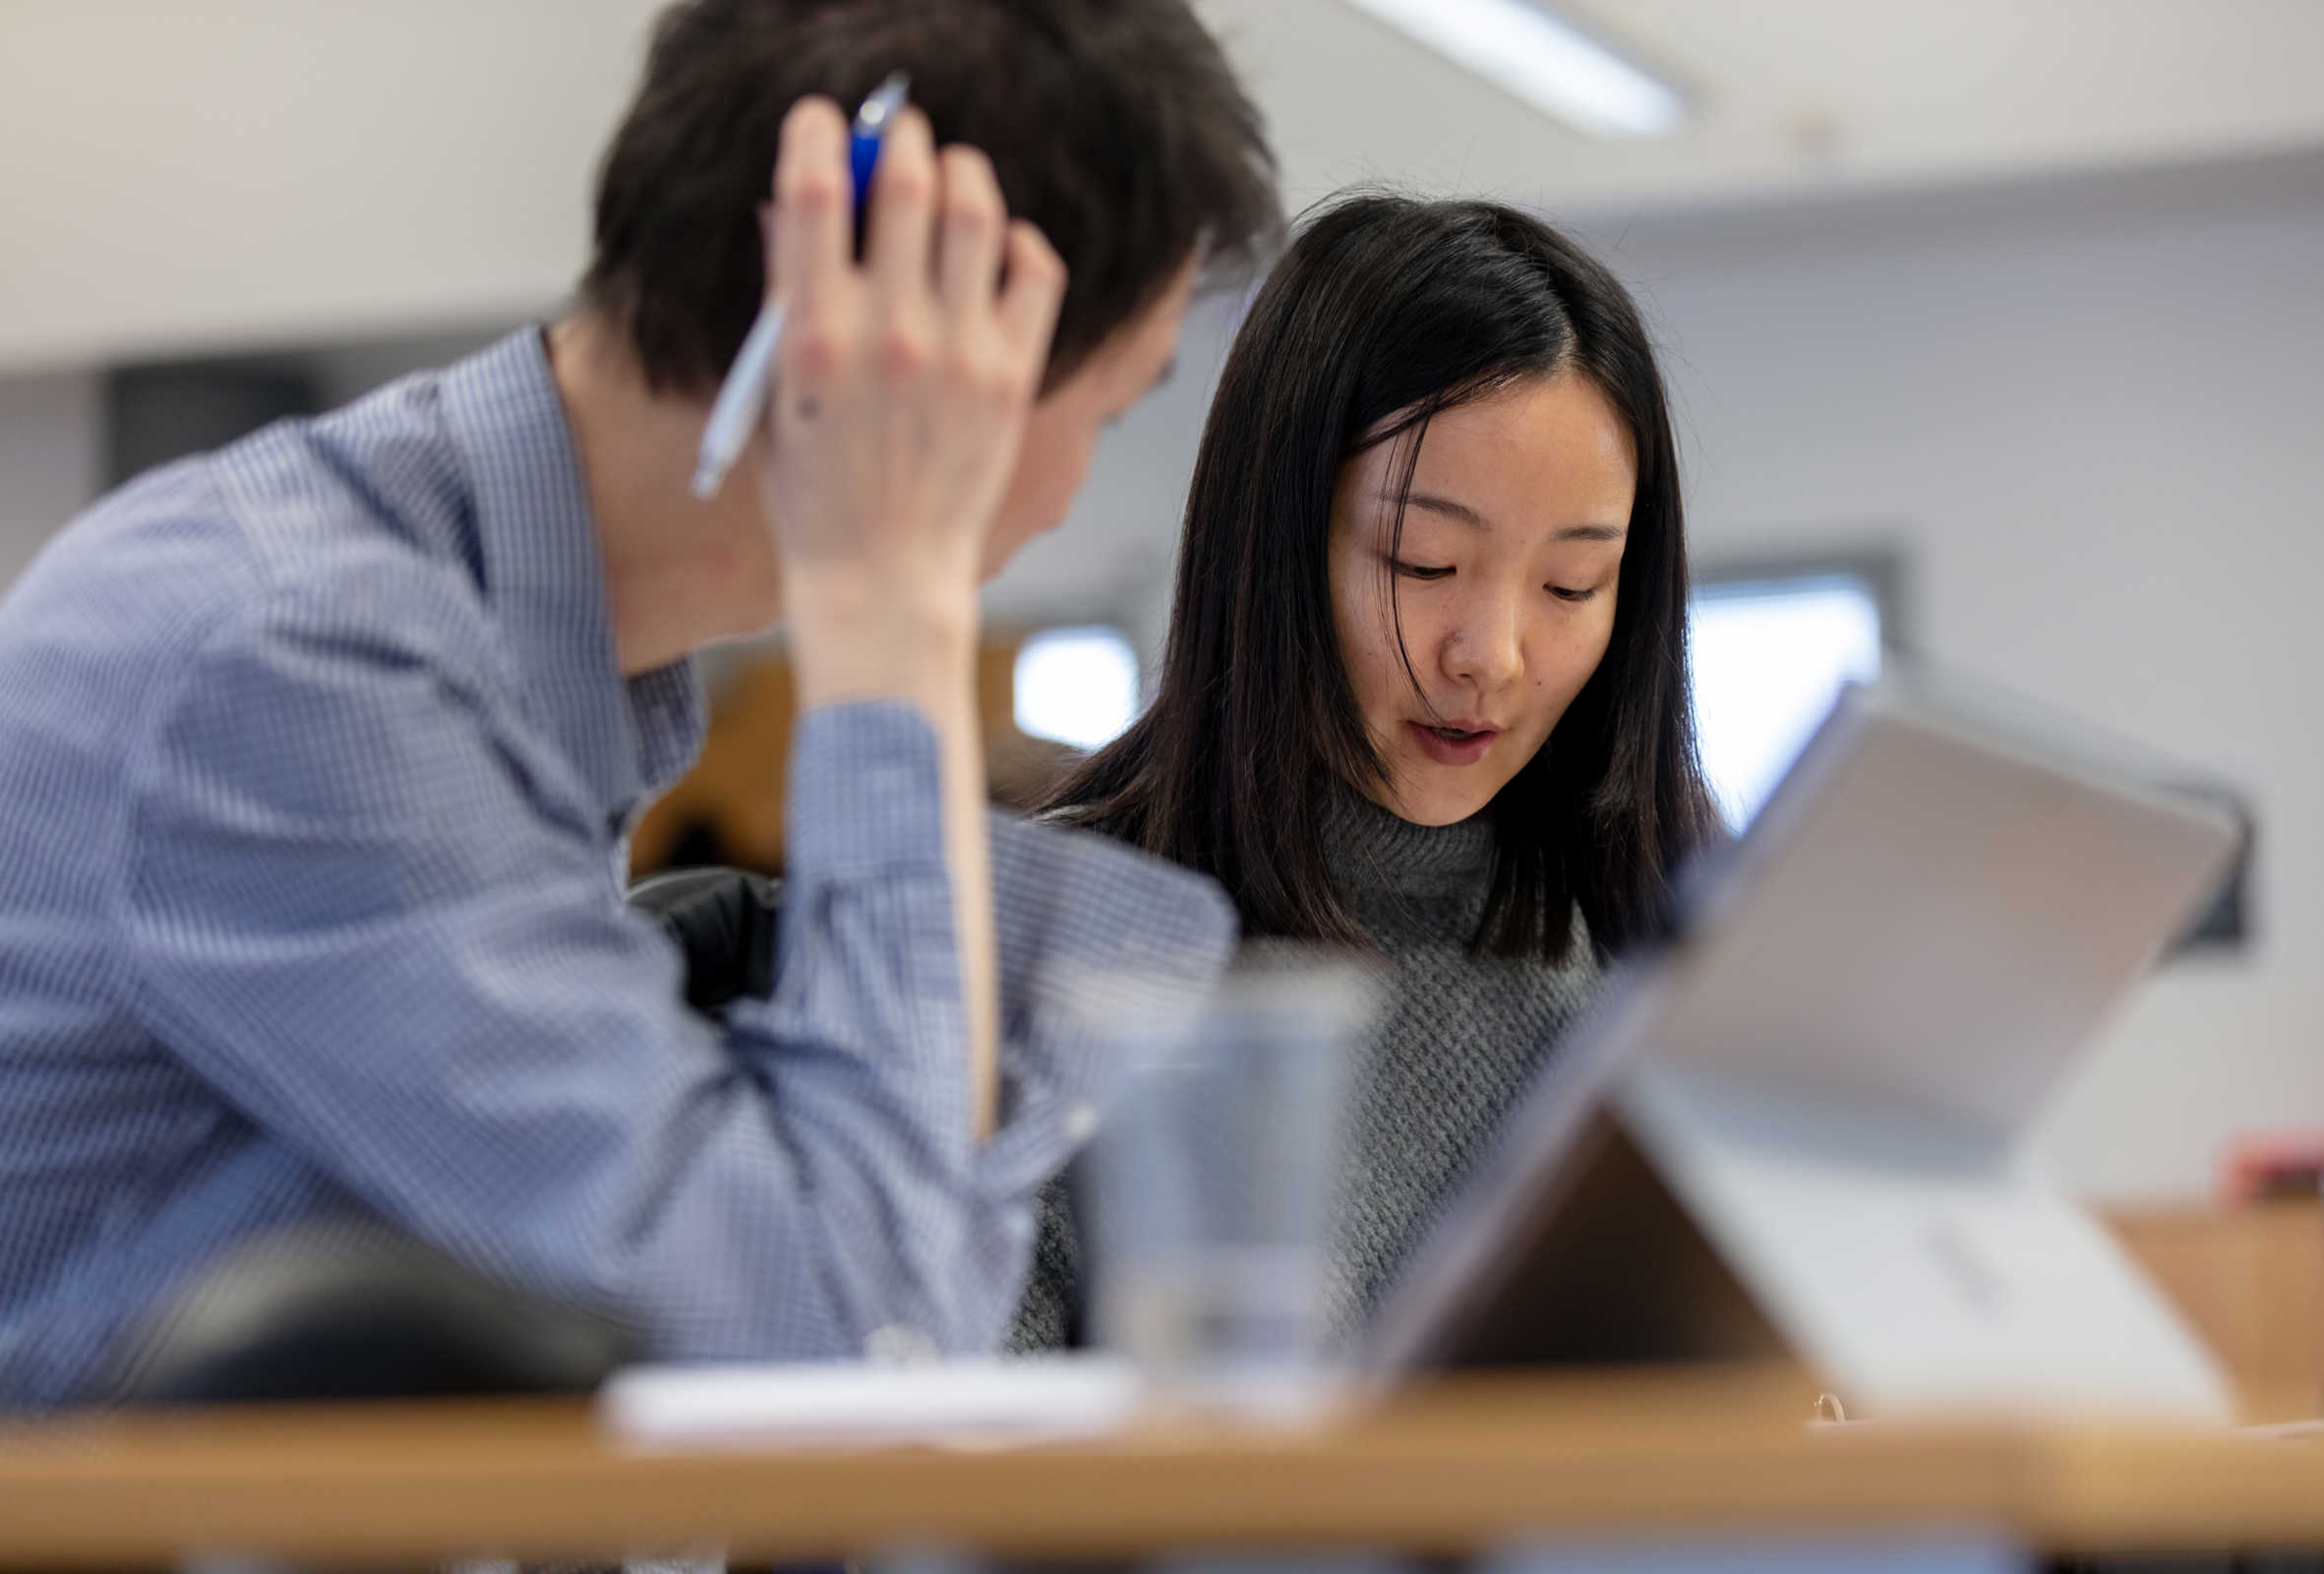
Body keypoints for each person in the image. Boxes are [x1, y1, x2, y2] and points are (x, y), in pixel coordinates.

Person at [0, 0, 1279, 1408]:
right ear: (888, 352)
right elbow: (852, 1353)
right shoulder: (290, 665)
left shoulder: (505, 656)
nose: (1071, 489)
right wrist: (895, 608)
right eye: (1099, 416)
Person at [1010, 195, 1722, 1349]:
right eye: (1424, 561)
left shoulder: (1662, 934)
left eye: (1571, 587)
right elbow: (961, 1475)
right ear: (1276, 537)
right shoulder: (1059, 939)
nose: (1489, 656)